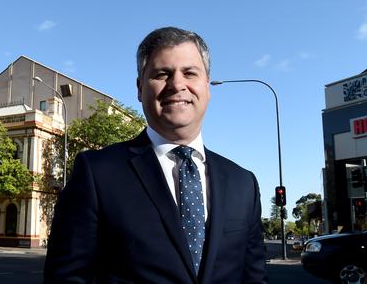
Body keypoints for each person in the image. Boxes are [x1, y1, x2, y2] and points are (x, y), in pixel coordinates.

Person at [44, 27, 266, 283]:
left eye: (190, 73)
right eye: (163, 74)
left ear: (207, 86)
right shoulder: (96, 174)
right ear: (140, 88)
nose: (177, 85)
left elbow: (254, 278)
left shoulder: (243, 183)